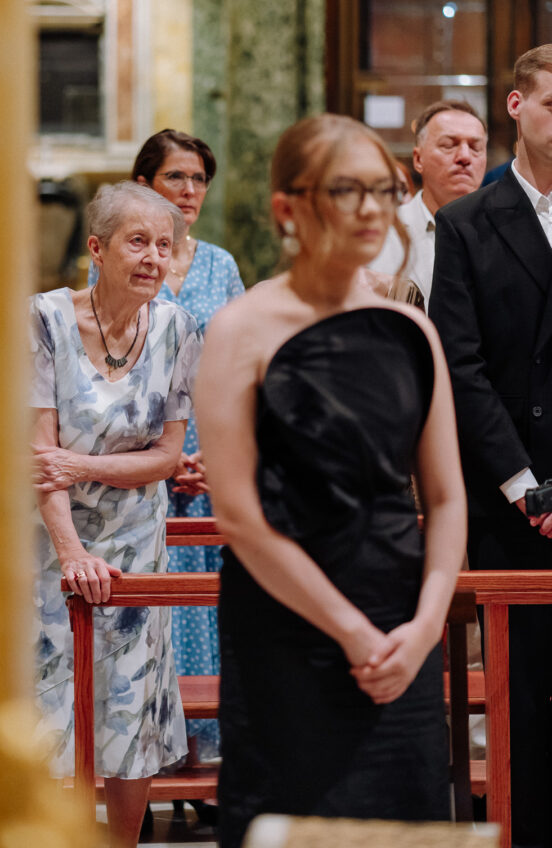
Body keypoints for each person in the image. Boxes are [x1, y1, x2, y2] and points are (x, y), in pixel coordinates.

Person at [195, 114, 466, 848]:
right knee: (289, 823)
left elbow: (444, 497)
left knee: (404, 828)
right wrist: (349, 630)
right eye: (348, 189)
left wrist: (425, 626)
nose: (374, 208)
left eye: (385, 188)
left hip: (403, 622)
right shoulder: (240, 329)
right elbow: (241, 516)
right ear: (290, 207)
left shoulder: (412, 331)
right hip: (291, 626)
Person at [30, 181, 203, 848]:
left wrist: (86, 467)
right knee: (51, 706)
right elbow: (40, 458)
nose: (155, 257)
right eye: (138, 242)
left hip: (136, 545)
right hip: (52, 544)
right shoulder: (42, 320)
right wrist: (72, 553)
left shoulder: (179, 328)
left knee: (134, 707)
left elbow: (165, 457)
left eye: (165, 245)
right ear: (97, 250)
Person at [90, 128, 244, 778]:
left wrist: (221, 452)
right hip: (141, 447)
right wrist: (157, 450)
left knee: (208, 590)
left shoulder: (220, 265)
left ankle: (205, 751)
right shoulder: (121, 256)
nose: (188, 190)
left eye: (198, 179)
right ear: (145, 184)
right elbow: (104, 357)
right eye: (176, 177)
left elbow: (239, 361)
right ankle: (148, 750)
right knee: (154, 596)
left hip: (210, 449)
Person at [429, 44, 552, 848]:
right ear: (517, 106)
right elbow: (460, 363)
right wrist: (524, 484)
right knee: (531, 700)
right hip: (518, 502)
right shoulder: (468, 223)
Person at [370, 100, 487, 309]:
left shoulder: (504, 232)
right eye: (448, 145)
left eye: (475, 147)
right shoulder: (382, 231)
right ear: (418, 159)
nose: (464, 157)